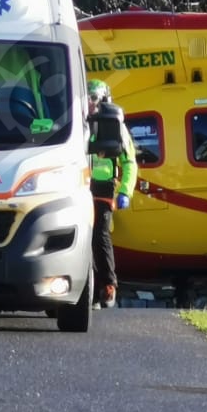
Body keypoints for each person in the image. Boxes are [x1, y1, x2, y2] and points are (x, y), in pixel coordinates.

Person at [87, 79, 137, 310]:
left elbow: (130, 163)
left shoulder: (116, 127)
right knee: (80, 239)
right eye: (87, 97)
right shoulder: (78, 124)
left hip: (103, 189)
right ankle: (88, 290)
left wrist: (125, 191)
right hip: (78, 185)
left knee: (100, 237)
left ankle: (108, 285)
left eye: (94, 98)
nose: (90, 102)